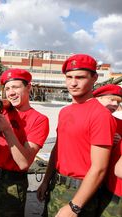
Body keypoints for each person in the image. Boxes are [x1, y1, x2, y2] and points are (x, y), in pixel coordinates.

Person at [37, 54, 117, 217]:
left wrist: (75, 206)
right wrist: (46, 181)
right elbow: (58, 149)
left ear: (94, 78)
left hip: (80, 192)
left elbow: (99, 168)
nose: (73, 83)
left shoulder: (100, 115)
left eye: (80, 77)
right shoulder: (65, 112)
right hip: (56, 186)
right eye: (69, 77)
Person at [0, 68, 49, 216]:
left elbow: (24, 163)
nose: (11, 92)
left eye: (15, 87)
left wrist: (7, 130)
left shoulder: (39, 120)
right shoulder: (2, 112)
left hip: (13, 182)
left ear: (28, 87)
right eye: (7, 88)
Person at [93, 84, 122, 216]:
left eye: (118, 101)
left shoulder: (119, 124)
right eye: (111, 99)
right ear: (97, 99)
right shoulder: (87, 119)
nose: (115, 104)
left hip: (109, 185)